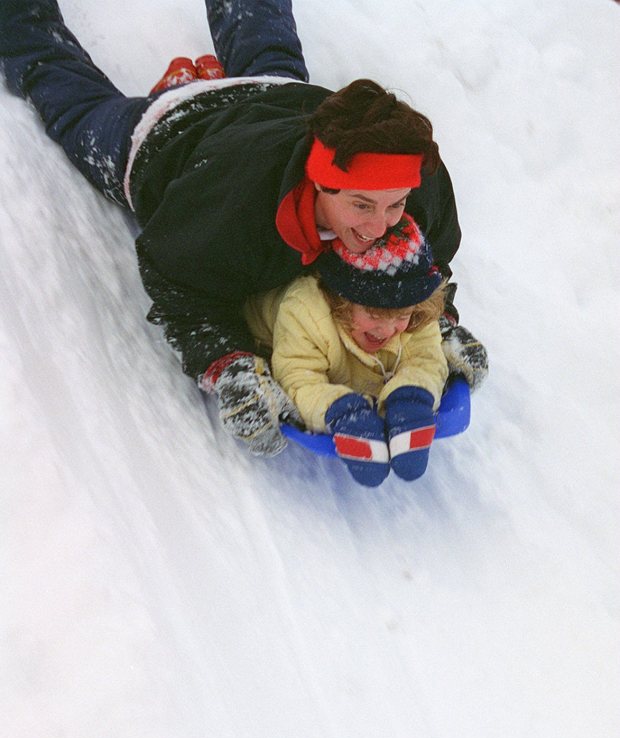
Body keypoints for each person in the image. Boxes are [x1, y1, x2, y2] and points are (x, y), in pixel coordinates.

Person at [0, 0, 488, 458]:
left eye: (393, 205)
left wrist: (436, 321)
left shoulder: (420, 193)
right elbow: (176, 282)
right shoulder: (233, 209)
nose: (381, 227)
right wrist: (229, 365)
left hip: (281, 98)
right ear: (321, 183)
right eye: (362, 205)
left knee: (265, 39)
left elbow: (432, 266)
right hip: (173, 132)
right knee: (63, 92)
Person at [244, 213, 448, 486]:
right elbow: (298, 381)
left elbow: (426, 359)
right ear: (341, 298)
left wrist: (411, 398)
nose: (387, 331)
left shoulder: (416, 311)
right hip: (263, 330)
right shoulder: (305, 311)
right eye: (375, 315)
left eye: (401, 316)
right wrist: (342, 412)